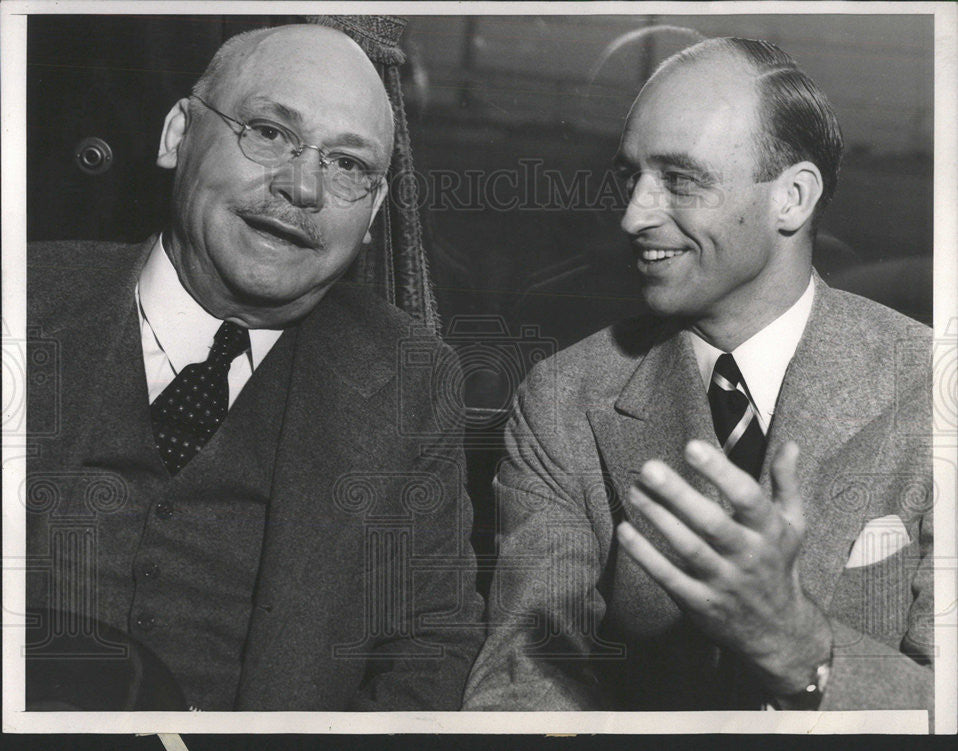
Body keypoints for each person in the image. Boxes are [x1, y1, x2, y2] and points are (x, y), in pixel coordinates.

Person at [463, 37, 933, 712]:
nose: (633, 216)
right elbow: (523, 680)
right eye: (631, 176)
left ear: (793, 199)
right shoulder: (563, 398)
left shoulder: (935, 390)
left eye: (681, 180)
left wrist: (797, 645)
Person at [26, 24, 483, 711]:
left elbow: (430, 653)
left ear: (373, 214)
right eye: (269, 132)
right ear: (177, 135)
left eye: (349, 166)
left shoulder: (410, 384)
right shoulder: (20, 302)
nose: (303, 187)